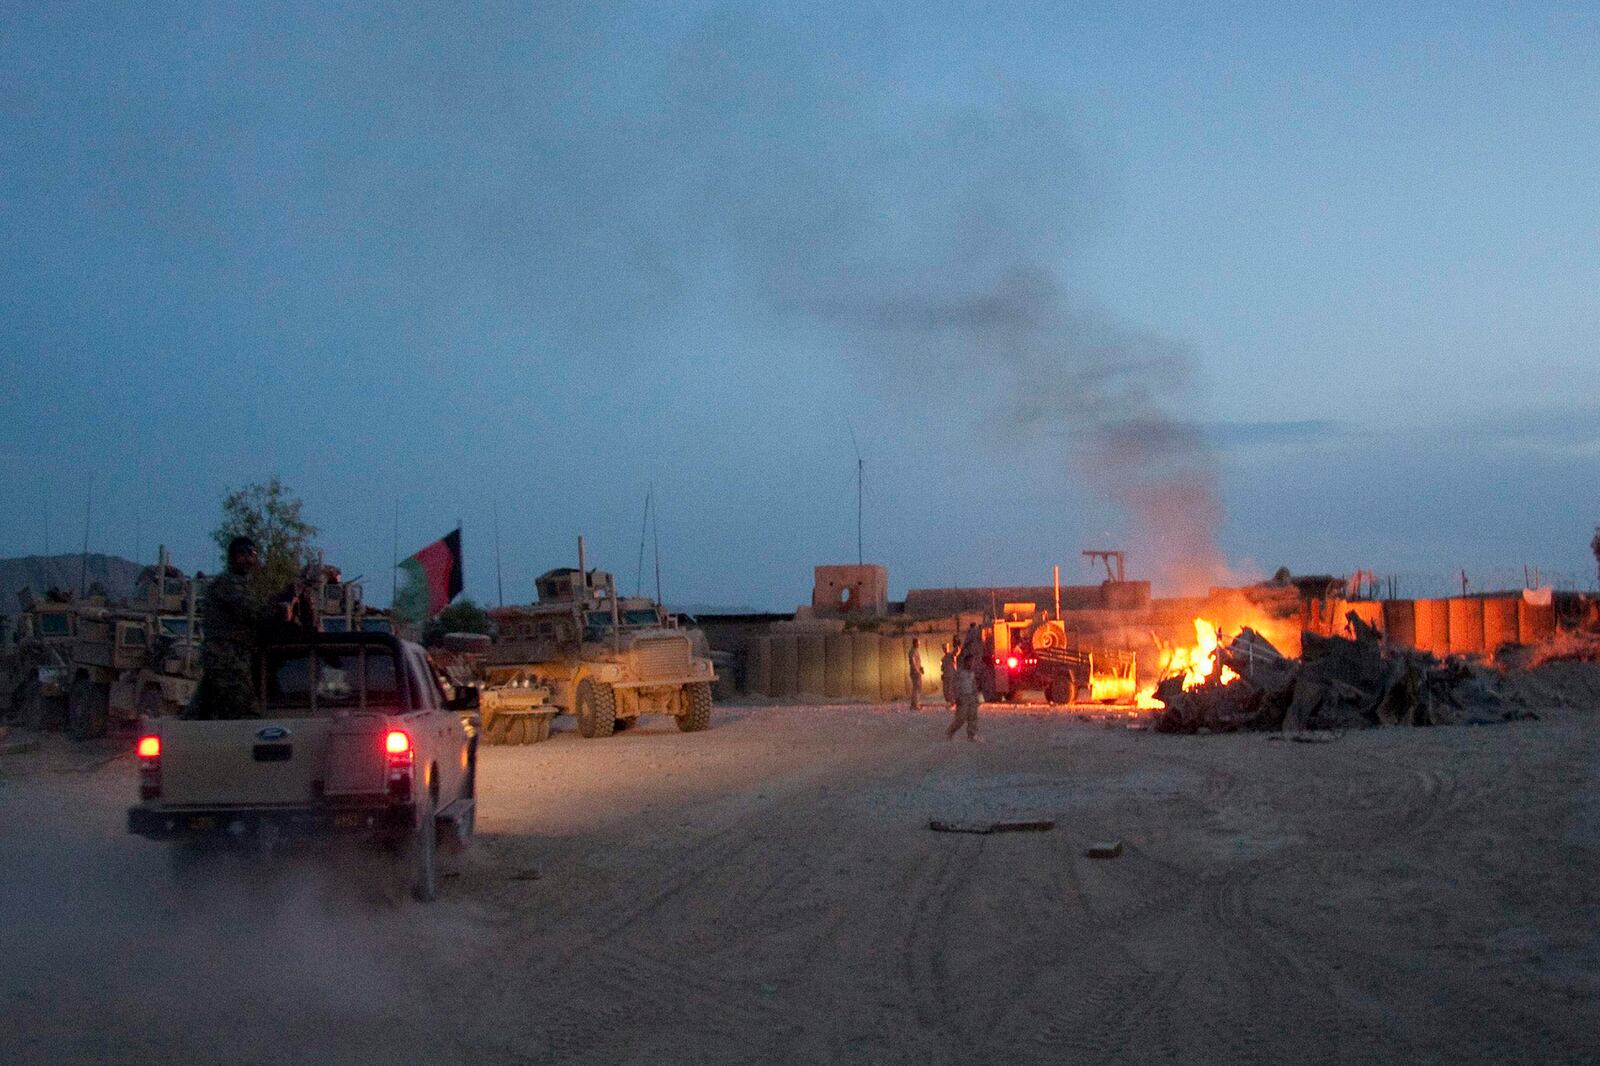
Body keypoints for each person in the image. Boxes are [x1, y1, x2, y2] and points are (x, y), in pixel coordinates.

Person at [187, 536, 290, 720]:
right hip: (226, 657)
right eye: (242, 554)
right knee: (247, 712)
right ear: (232, 557)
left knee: (203, 712)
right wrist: (280, 607)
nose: (248, 560)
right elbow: (253, 613)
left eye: (252, 554)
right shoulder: (228, 584)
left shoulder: (240, 584)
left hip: (230, 656)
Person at [946, 650, 980, 742]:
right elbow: (955, 686)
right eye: (970, 662)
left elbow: (974, 686)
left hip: (971, 697)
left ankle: (972, 735)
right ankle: (950, 731)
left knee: (973, 716)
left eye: (973, 662)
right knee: (961, 718)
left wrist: (976, 698)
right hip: (963, 698)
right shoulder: (960, 673)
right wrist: (957, 697)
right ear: (966, 662)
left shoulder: (972, 674)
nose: (972, 664)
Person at [907, 637, 925, 711]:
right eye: (918, 643)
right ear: (914, 643)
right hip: (915, 672)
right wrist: (917, 671)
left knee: (917, 688)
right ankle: (915, 705)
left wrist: (920, 668)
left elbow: (917, 662)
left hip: (917, 671)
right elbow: (913, 662)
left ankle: (915, 703)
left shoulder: (916, 651)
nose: (919, 644)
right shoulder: (913, 651)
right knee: (917, 688)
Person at [939, 642, 957, 709]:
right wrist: (943, 674)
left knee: (951, 690)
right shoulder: (943, 659)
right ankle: (949, 702)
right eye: (944, 648)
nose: (945, 649)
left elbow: (956, 652)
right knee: (946, 690)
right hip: (946, 676)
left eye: (946, 648)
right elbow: (942, 668)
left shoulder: (951, 655)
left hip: (952, 675)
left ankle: (953, 703)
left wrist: (957, 644)